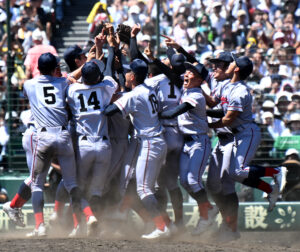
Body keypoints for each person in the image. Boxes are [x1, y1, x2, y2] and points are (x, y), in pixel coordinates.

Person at [203, 54, 287, 212]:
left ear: (236, 69)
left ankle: (275, 171)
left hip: (247, 132)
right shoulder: (228, 86)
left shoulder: (240, 91)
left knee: (238, 171)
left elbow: (227, 120)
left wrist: (206, 123)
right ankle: (268, 189)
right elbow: (217, 107)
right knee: (236, 174)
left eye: (231, 64)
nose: (227, 65)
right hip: (238, 133)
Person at [23, 52, 95, 237]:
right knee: (72, 183)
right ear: (55, 68)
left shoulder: (29, 84)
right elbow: (72, 77)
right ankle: (87, 218)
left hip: (43, 136)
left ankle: (40, 226)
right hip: (63, 135)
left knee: (37, 184)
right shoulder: (62, 83)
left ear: (38, 68)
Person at [104, 58, 170, 240]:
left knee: (143, 189)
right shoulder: (149, 87)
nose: (126, 74)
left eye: (127, 72)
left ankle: (162, 227)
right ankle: (164, 224)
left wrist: (107, 96)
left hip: (149, 142)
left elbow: (109, 111)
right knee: (142, 186)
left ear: (132, 76)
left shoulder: (133, 95)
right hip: (155, 141)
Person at [160, 62, 218, 236]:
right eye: (186, 71)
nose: (186, 74)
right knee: (184, 182)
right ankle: (208, 209)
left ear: (199, 80)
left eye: (191, 72)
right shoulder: (187, 86)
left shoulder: (197, 94)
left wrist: (151, 114)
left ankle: (207, 212)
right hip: (186, 143)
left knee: (192, 181)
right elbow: (171, 73)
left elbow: (174, 112)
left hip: (199, 142)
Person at [205, 51, 240, 241]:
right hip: (221, 140)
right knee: (212, 185)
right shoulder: (216, 81)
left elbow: (224, 114)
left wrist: (203, 112)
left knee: (227, 185)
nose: (214, 67)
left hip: (233, 139)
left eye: (219, 64)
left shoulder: (233, 86)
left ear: (229, 68)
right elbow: (199, 70)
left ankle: (230, 228)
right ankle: (226, 221)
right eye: (214, 63)